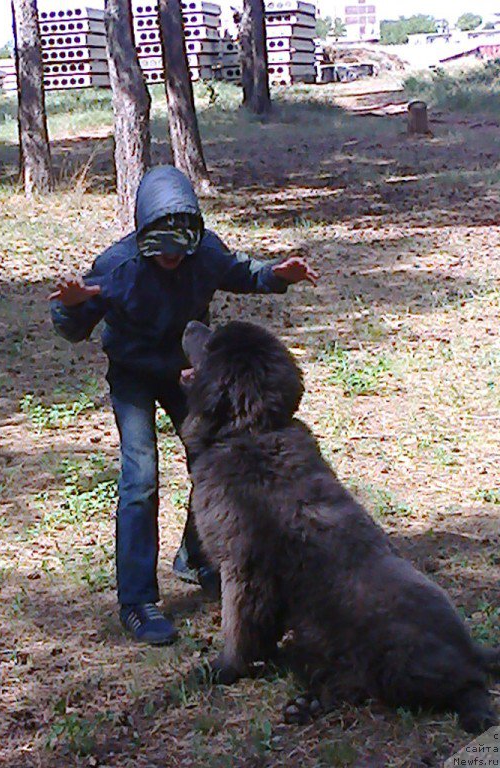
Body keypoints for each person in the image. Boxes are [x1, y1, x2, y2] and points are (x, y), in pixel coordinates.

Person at [49, 165, 318, 646]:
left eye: (180, 245)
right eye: (161, 246)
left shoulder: (204, 252)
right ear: (143, 236)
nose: (172, 257)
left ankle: (196, 559)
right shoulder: (117, 267)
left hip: (186, 373)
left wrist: (276, 275)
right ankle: (137, 601)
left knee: (210, 465)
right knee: (140, 477)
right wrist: (68, 307)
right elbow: (73, 327)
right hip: (132, 374)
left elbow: (240, 270)